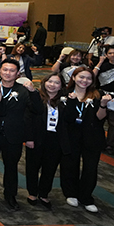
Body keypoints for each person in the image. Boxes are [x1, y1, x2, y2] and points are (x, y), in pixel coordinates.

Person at [0, 59, 37, 210]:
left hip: (13, 135)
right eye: (5, 69)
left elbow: (35, 110)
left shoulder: (23, 90)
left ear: (17, 73)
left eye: (12, 70)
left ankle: (10, 195)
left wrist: (33, 92)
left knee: (11, 167)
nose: (8, 73)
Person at [59, 67, 112, 213]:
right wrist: (71, 102)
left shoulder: (98, 95)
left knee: (90, 167)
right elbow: (65, 117)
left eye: (88, 78)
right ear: (74, 78)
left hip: (92, 135)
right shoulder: (65, 94)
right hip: (71, 135)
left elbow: (100, 118)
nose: (84, 81)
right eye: (81, 77)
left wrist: (103, 105)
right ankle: (71, 193)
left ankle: (86, 197)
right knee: (70, 165)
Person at [25, 73, 65, 210]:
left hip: (55, 139)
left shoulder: (64, 101)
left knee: (50, 168)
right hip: (36, 137)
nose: (52, 85)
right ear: (44, 82)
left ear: (61, 86)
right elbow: (28, 119)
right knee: (32, 166)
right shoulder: (35, 97)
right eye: (50, 81)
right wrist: (29, 138)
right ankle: (32, 193)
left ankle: (44, 193)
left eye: (56, 83)